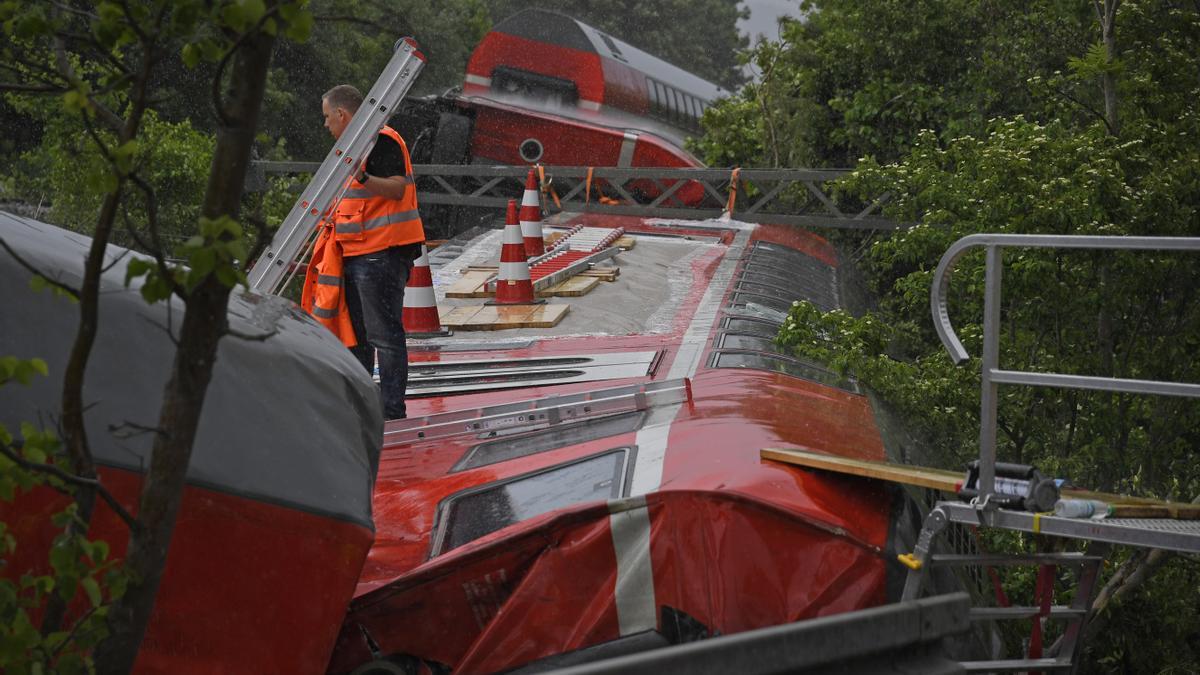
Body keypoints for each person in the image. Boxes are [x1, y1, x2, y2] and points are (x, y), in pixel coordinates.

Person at [306, 84, 424, 420]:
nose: (326, 125)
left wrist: (362, 176)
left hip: (382, 253)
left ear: (342, 114)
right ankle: (365, 405)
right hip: (358, 252)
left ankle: (389, 409)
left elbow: (397, 188)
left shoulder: (380, 139)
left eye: (328, 118)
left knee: (383, 335)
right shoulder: (352, 148)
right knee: (358, 336)